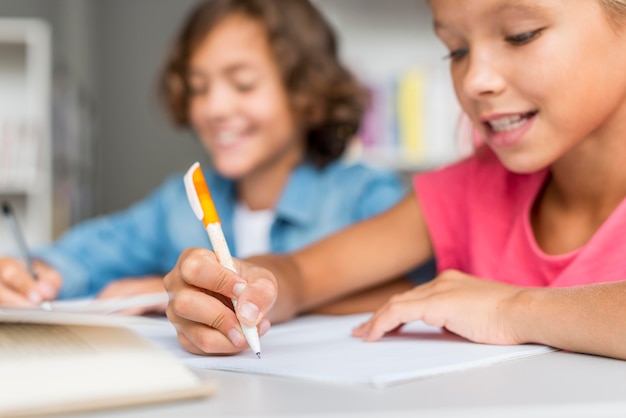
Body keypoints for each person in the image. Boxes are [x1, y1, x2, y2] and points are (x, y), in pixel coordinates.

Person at [163, 0, 626, 361]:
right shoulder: (466, 191)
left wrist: (511, 310)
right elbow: (302, 276)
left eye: (520, 35)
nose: (474, 81)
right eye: (456, 50)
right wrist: (246, 287)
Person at [0, 0, 427, 311]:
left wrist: (176, 291)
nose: (215, 108)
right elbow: (96, 250)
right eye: (199, 87)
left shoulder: (365, 196)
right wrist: (39, 272)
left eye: (243, 84)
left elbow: (415, 295)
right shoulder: (177, 203)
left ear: (309, 96)